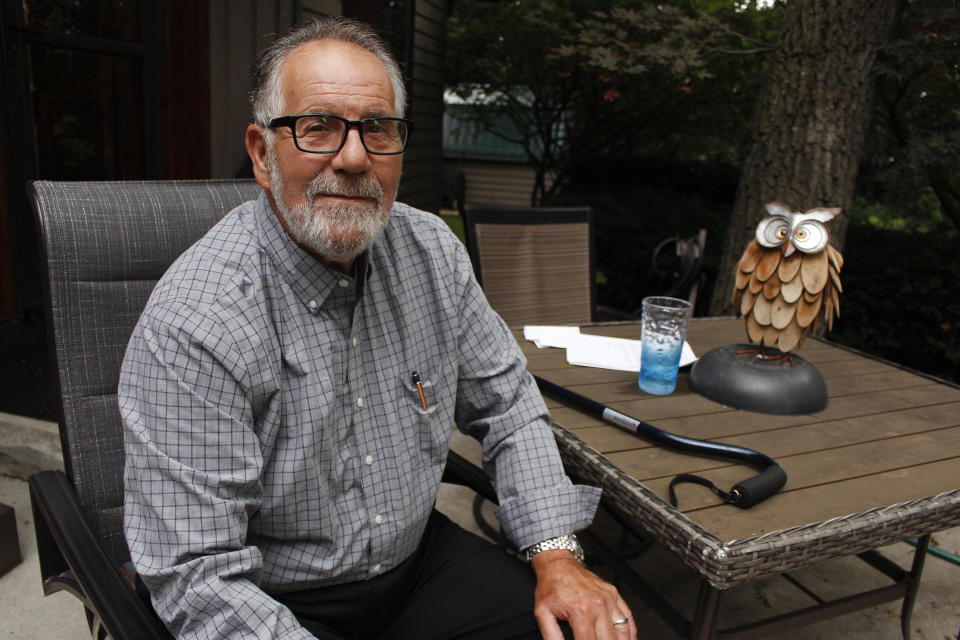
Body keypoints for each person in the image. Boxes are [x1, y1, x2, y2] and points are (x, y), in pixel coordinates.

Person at [120, 17, 636, 640]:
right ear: (262, 154)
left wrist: (556, 553)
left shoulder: (432, 254)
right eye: (318, 128)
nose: (355, 157)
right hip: (272, 597)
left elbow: (508, 407)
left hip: (418, 567)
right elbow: (197, 575)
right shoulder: (199, 322)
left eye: (378, 130)